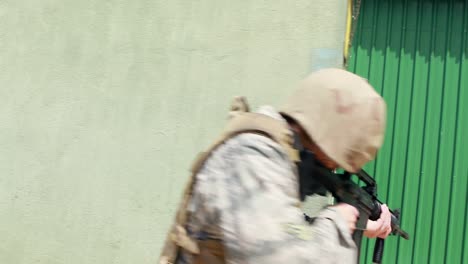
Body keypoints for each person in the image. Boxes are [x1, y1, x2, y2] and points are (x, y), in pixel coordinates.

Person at [160, 68, 392, 264]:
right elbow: (277, 255)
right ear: (327, 132)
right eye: (333, 161)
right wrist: (335, 226)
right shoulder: (252, 156)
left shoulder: (271, 158)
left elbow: (288, 230)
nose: (332, 169)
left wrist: (357, 226)